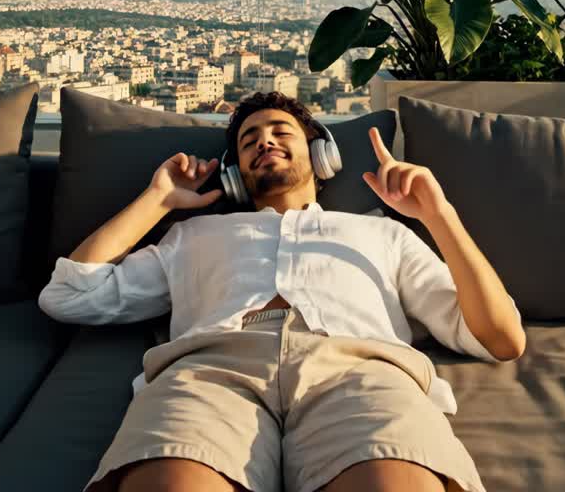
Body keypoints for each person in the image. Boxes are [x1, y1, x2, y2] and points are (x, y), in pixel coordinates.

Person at [39, 92, 525, 492]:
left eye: (280, 132)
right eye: (249, 140)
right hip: (210, 373)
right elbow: (69, 294)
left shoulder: (382, 233)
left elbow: (502, 338)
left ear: (321, 154)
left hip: (360, 372)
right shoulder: (193, 236)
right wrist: (157, 200)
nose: (264, 142)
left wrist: (438, 215)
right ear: (235, 173)